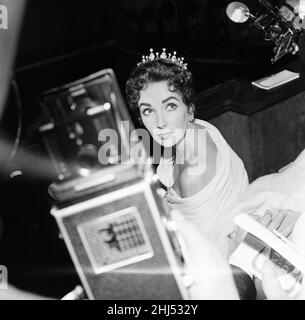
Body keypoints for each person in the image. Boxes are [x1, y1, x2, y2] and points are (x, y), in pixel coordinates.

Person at [125, 48, 249, 257]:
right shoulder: (197, 128)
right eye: (148, 110)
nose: (160, 122)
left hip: (222, 261)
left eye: (170, 106)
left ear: (190, 109)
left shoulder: (193, 175)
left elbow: (199, 250)